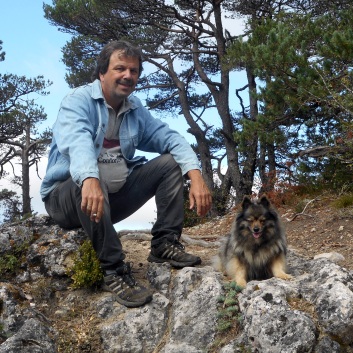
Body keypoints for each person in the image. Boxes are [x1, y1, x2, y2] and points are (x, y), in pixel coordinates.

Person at [40, 40, 212, 308]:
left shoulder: (134, 110)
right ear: (102, 72)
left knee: (170, 163)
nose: (128, 76)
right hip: (68, 198)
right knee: (84, 180)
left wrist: (196, 174)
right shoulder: (78, 101)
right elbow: (78, 142)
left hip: (111, 198)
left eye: (134, 71)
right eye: (120, 68)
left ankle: (164, 244)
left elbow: (168, 137)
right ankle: (114, 269)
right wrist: (89, 178)